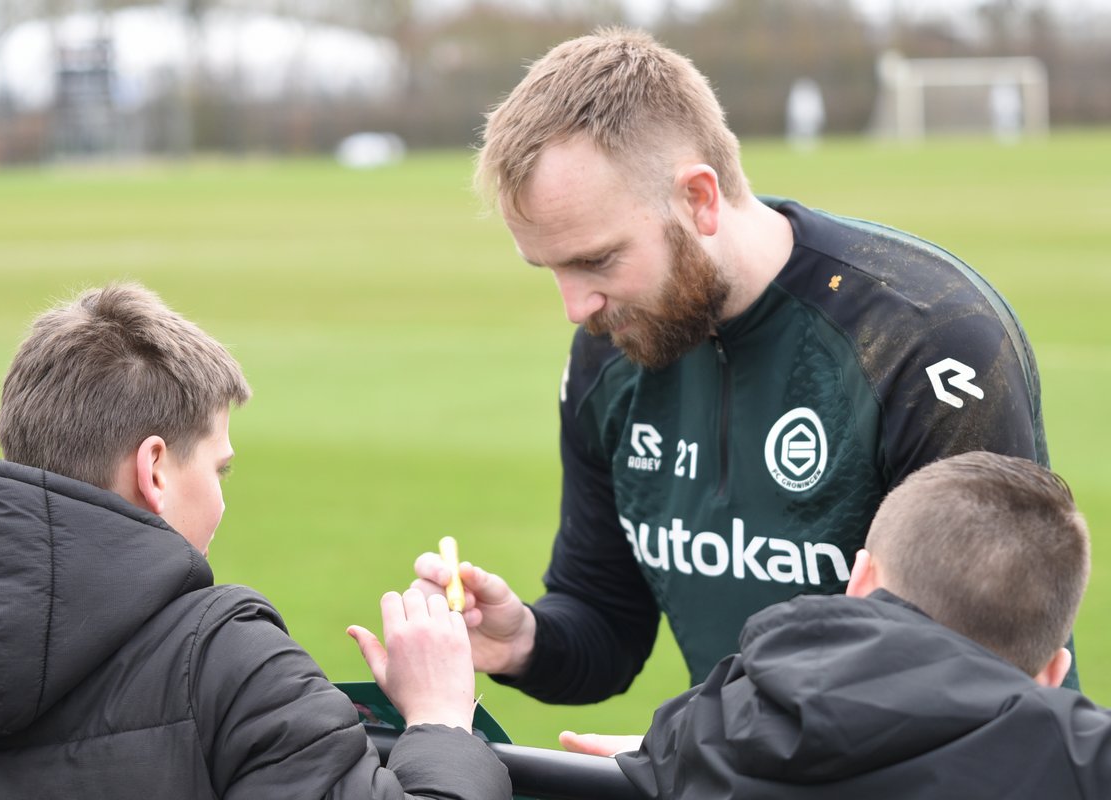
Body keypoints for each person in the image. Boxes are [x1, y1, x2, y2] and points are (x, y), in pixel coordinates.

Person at [413, 25, 1070, 703]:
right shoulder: (612, 353)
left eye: (598, 260)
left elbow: (968, 683)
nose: (576, 308)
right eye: (548, 268)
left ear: (698, 198)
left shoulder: (924, 343)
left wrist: (700, 754)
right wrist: (524, 640)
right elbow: (605, 618)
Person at [0, 283, 511, 800]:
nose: (221, 496)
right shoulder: (231, 665)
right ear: (155, 471)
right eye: (218, 469)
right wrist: (441, 719)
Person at [598, 451, 1109, 798]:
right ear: (1052, 672)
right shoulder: (1082, 761)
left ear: (861, 578)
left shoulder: (708, 726)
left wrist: (659, 754)